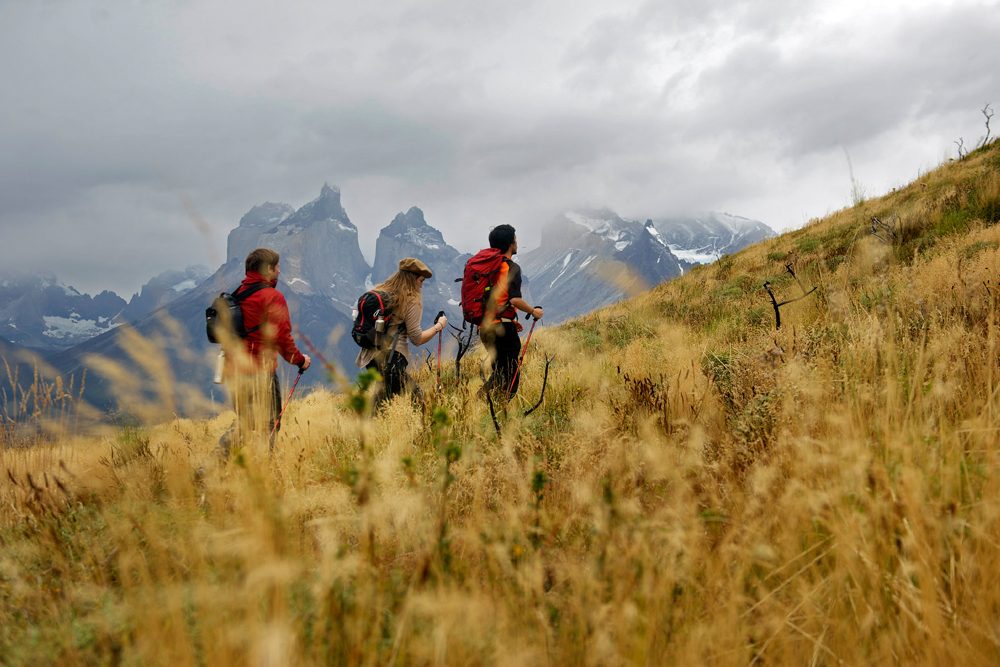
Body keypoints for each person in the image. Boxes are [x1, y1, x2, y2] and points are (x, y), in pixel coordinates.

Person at [218, 248, 311, 456]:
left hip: (234, 370)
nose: (279, 271)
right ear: (268, 269)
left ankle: (215, 469)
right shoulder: (271, 297)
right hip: (259, 371)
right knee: (269, 424)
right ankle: (260, 471)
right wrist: (299, 360)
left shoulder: (237, 295)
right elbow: (282, 338)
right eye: (277, 267)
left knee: (245, 422)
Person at [356, 257, 447, 409]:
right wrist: (438, 326)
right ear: (414, 279)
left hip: (370, 357)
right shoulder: (411, 299)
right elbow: (416, 338)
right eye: (421, 281)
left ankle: (366, 429)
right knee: (417, 398)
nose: (421, 286)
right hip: (392, 357)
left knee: (382, 400)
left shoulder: (381, 291)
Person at [479, 224, 543, 400]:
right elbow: (514, 299)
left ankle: (485, 409)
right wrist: (533, 311)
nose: (517, 242)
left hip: (486, 328)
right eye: (515, 239)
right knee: (510, 379)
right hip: (502, 330)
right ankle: (479, 403)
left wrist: (508, 318)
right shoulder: (511, 267)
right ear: (510, 243)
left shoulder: (488, 268)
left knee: (500, 372)